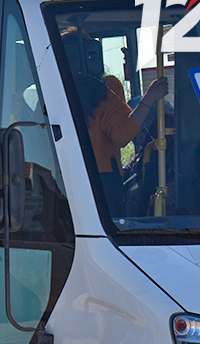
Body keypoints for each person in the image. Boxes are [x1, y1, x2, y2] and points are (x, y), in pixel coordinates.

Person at [61, 27, 169, 214]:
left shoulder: (53, 88)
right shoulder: (106, 87)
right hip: (102, 179)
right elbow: (121, 135)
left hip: (61, 178)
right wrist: (150, 98)